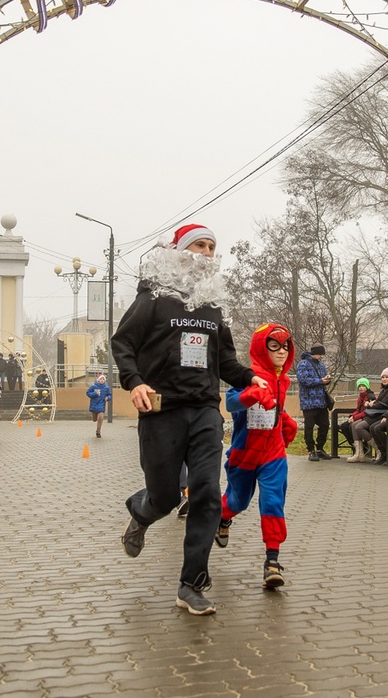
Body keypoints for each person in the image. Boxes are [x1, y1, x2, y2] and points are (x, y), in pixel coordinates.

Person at [112, 223, 262, 617]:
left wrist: (250, 377)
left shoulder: (213, 307)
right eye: (200, 244)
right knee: (164, 496)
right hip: (161, 411)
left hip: (204, 411)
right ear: (180, 251)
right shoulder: (155, 298)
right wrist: (135, 382)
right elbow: (123, 342)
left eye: (213, 246)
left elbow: (224, 360)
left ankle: (191, 583)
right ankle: (141, 511)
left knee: (206, 493)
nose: (207, 252)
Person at [218, 323, 299, 590]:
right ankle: (222, 517)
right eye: (273, 346)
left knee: (273, 501)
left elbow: (276, 409)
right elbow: (230, 403)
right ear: (261, 348)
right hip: (245, 453)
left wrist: (286, 421)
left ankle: (272, 562)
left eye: (285, 346)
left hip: (273, 454)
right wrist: (251, 393)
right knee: (237, 501)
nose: (281, 352)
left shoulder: (284, 380)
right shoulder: (249, 374)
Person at [351, 367, 388, 461]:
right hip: (377, 414)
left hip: (382, 415)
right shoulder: (385, 389)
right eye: (382, 377)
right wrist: (353, 416)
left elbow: (384, 404)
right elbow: (379, 401)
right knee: (353, 425)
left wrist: (370, 405)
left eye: (386, 377)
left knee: (359, 427)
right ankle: (359, 453)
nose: (384, 379)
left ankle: (380, 450)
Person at [295, 344, 332, 461]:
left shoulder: (321, 365)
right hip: (308, 402)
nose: (321, 357)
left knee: (325, 425)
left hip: (321, 402)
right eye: (320, 354)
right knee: (309, 426)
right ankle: (311, 450)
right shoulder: (303, 364)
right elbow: (304, 380)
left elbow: (322, 381)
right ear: (315, 353)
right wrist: (320, 381)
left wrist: (327, 380)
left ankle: (320, 448)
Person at [341, 377, 375, 461]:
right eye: (359, 386)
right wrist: (352, 416)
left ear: (367, 386)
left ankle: (363, 448)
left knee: (352, 426)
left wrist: (355, 418)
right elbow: (358, 409)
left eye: (363, 386)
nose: (361, 388)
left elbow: (367, 411)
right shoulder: (360, 397)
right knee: (344, 426)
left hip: (368, 418)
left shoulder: (370, 396)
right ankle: (356, 447)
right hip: (360, 417)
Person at [85, 373, 112, 438]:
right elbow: (88, 393)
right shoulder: (93, 386)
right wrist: (95, 394)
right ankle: (95, 419)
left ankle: (98, 432)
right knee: (95, 419)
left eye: (103, 379)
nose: (102, 380)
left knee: (100, 417)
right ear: (98, 380)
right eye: (101, 379)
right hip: (94, 405)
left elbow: (110, 395)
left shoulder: (106, 388)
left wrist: (107, 398)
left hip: (101, 405)